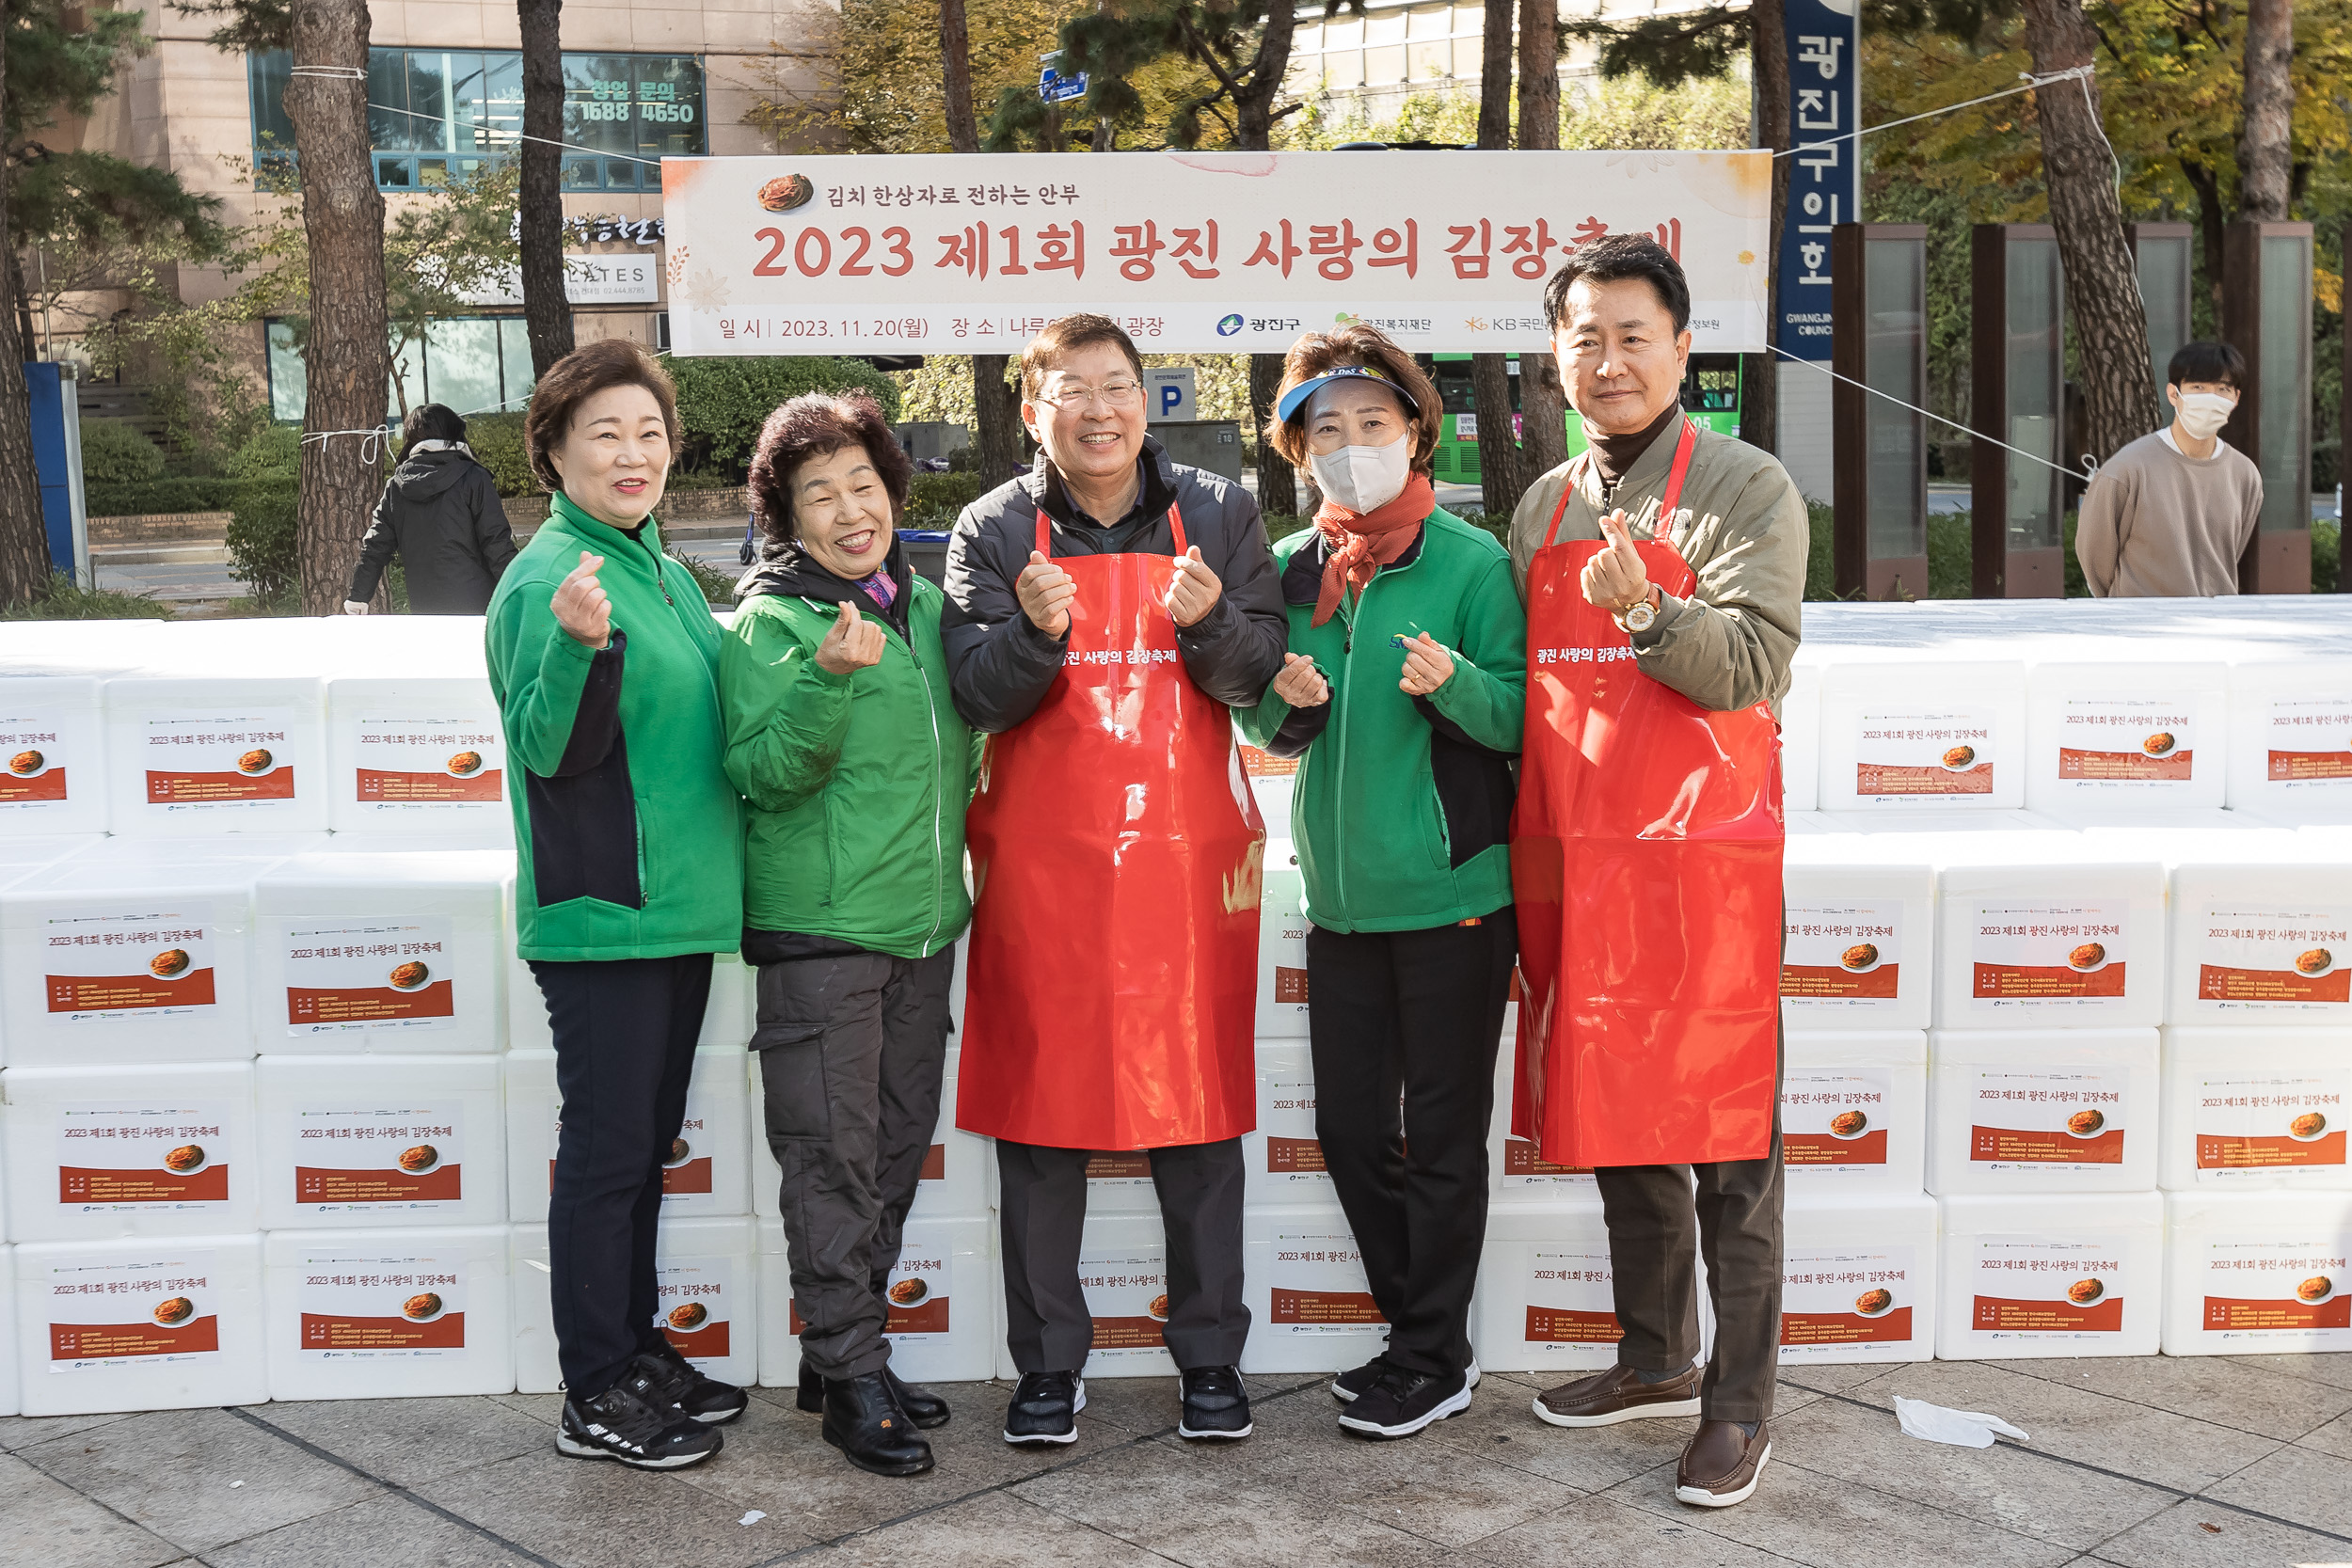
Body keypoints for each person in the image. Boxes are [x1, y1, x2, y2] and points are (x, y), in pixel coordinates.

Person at [942, 313, 1287, 1447]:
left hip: (1185, 870)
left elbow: (1258, 676)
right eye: (1072, 389)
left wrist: (1208, 623)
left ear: (1150, 398)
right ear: (1031, 407)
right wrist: (1037, 636)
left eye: (1120, 385)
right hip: (1043, 870)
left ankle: (1210, 1359)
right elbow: (977, 695)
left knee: (1194, 1116)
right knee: (1042, 1124)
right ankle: (1046, 1364)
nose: (1100, 409)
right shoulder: (992, 527)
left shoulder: (1221, 509)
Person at [1506, 235, 1806, 1509]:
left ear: (1685, 348)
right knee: (1626, 1120)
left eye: (1635, 334)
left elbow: (1749, 664)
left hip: (1703, 866)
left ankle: (1739, 1406)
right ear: (1554, 359)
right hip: (1584, 854)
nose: (1609, 359)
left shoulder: (1746, 486)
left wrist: (1645, 613)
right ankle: (1653, 1354)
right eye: (1585, 336)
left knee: (1730, 1144)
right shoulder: (1544, 502)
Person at [1234, 328, 1526, 1440]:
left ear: (1414, 429)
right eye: (1326, 429)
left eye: (1372, 423)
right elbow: (1268, 721)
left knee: (1445, 1140)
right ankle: (1425, 1337)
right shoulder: (1292, 566)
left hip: (1453, 895)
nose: (1350, 446)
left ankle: (1429, 1353)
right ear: (1297, 450)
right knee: (1355, 1132)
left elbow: (1517, 716)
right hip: (1342, 902)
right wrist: (1290, 701)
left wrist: (1456, 685)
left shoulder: (1470, 561)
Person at [485, 339, 746, 1470]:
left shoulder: (660, 565)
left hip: (677, 912)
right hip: (607, 917)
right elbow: (547, 748)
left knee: (641, 1151)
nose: (633, 453)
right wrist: (581, 652)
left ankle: (634, 1348)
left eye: (649, 432)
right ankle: (593, 1388)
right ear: (551, 452)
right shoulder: (550, 580)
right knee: (605, 1156)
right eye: (605, 434)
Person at [722, 392, 977, 1478]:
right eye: (817, 493)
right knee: (830, 1161)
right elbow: (761, 774)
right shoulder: (767, 623)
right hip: (823, 931)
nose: (847, 509)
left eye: (862, 485)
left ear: (892, 492)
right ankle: (848, 1375)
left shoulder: (920, 607)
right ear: (786, 514)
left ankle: (845, 1353)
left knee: (887, 1151)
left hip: (921, 925)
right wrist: (827, 679)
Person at [2074, 341, 2264, 597]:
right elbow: (2095, 557)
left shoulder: (2245, 475)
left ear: (2236, 398)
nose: (2211, 398)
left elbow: (2231, 552)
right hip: (2141, 627)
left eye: (2223, 389)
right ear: (2174, 394)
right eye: (2198, 387)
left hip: (2218, 626)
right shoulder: (2126, 470)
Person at [346, 403, 517, 614]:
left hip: (425, 610)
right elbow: (497, 543)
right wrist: (520, 595)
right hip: (478, 608)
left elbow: (375, 547)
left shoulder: (397, 486)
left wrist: (358, 597)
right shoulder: (473, 477)